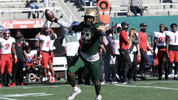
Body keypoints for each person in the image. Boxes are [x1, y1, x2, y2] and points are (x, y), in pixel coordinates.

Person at [48, 9, 112, 100]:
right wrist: (56, 20)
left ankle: (98, 95)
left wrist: (108, 32)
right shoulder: (82, 25)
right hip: (83, 55)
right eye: (87, 17)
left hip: (93, 58)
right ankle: (75, 89)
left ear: (94, 18)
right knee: (70, 71)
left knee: (95, 81)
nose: (88, 20)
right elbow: (70, 26)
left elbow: (102, 31)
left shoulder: (97, 26)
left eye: (90, 18)